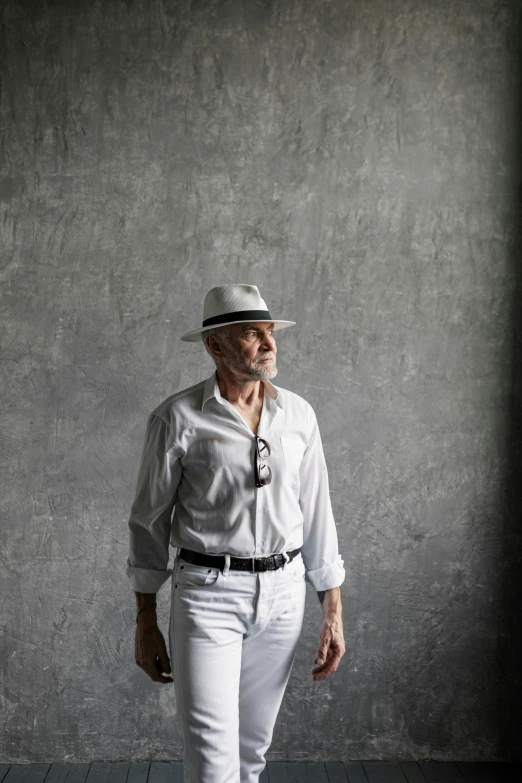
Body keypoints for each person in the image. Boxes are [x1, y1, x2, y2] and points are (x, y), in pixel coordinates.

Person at [126, 283, 346, 783]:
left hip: (285, 595)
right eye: (252, 333)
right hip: (207, 597)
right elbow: (147, 522)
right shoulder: (177, 418)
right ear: (215, 346)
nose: (269, 344)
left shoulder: (298, 415)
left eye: (269, 332)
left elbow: (317, 512)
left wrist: (331, 607)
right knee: (211, 765)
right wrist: (144, 618)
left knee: (251, 758)